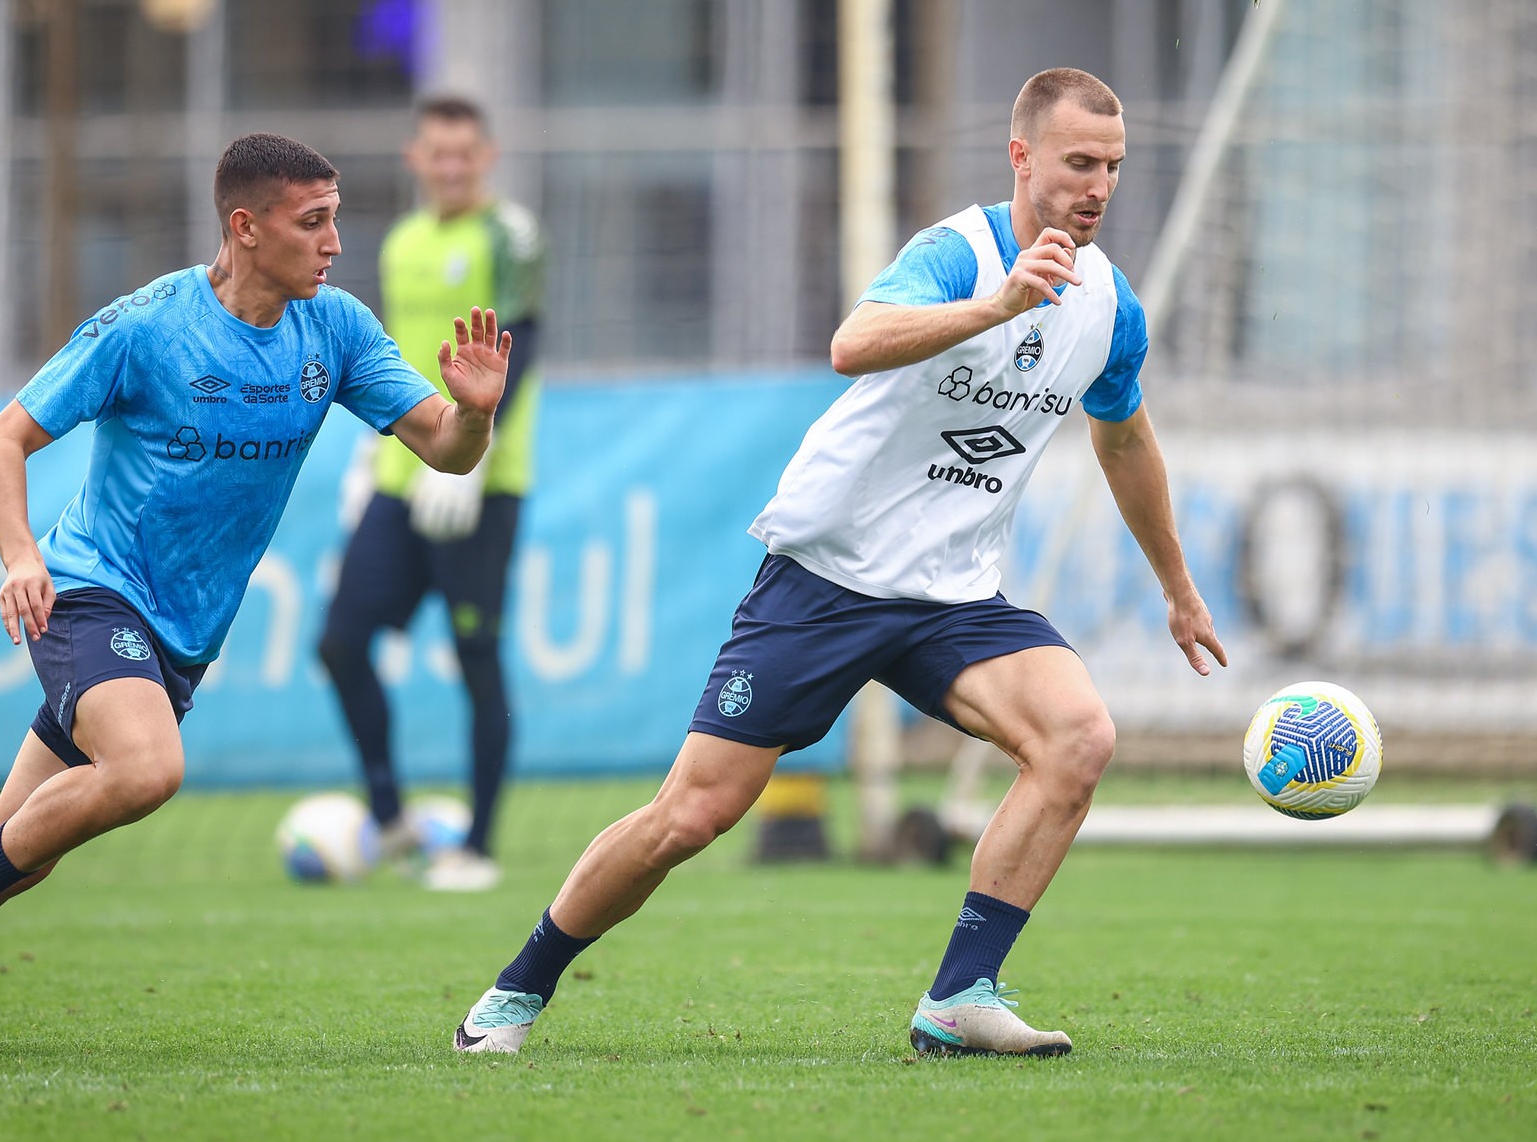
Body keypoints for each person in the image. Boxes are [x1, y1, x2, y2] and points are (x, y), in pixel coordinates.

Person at [454, 68, 1226, 1059]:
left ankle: (959, 996)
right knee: (693, 814)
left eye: (1112, 167)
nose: (1096, 185)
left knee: (1076, 737)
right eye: (1078, 162)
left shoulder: (1109, 306)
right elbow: (851, 341)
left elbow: (1122, 441)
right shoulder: (957, 253)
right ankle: (516, 990)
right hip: (826, 577)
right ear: (1021, 156)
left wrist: (1176, 584)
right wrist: (992, 308)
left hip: (950, 597)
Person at [0, 133, 511, 1053]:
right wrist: (20, 558)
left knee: (14, 852)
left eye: (337, 220)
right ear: (245, 226)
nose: (335, 243)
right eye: (312, 222)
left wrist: (473, 411)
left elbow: (445, 449)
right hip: (89, 594)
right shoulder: (148, 326)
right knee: (147, 771)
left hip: (183, 638)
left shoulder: (338, 329)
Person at [316, 94, 544, 893]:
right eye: (436, 153)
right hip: (403, 475)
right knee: (341, 640)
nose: (450, 167)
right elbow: (391, 361)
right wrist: (364, 461)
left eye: (464, 153)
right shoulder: (404, 241)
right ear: (416, 159)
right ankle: (391, 817)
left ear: (487, 157)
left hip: (485, 480)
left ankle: (476, 846)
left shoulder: (509, 233)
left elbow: (530, 339)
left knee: (476, 653)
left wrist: (478, 454)